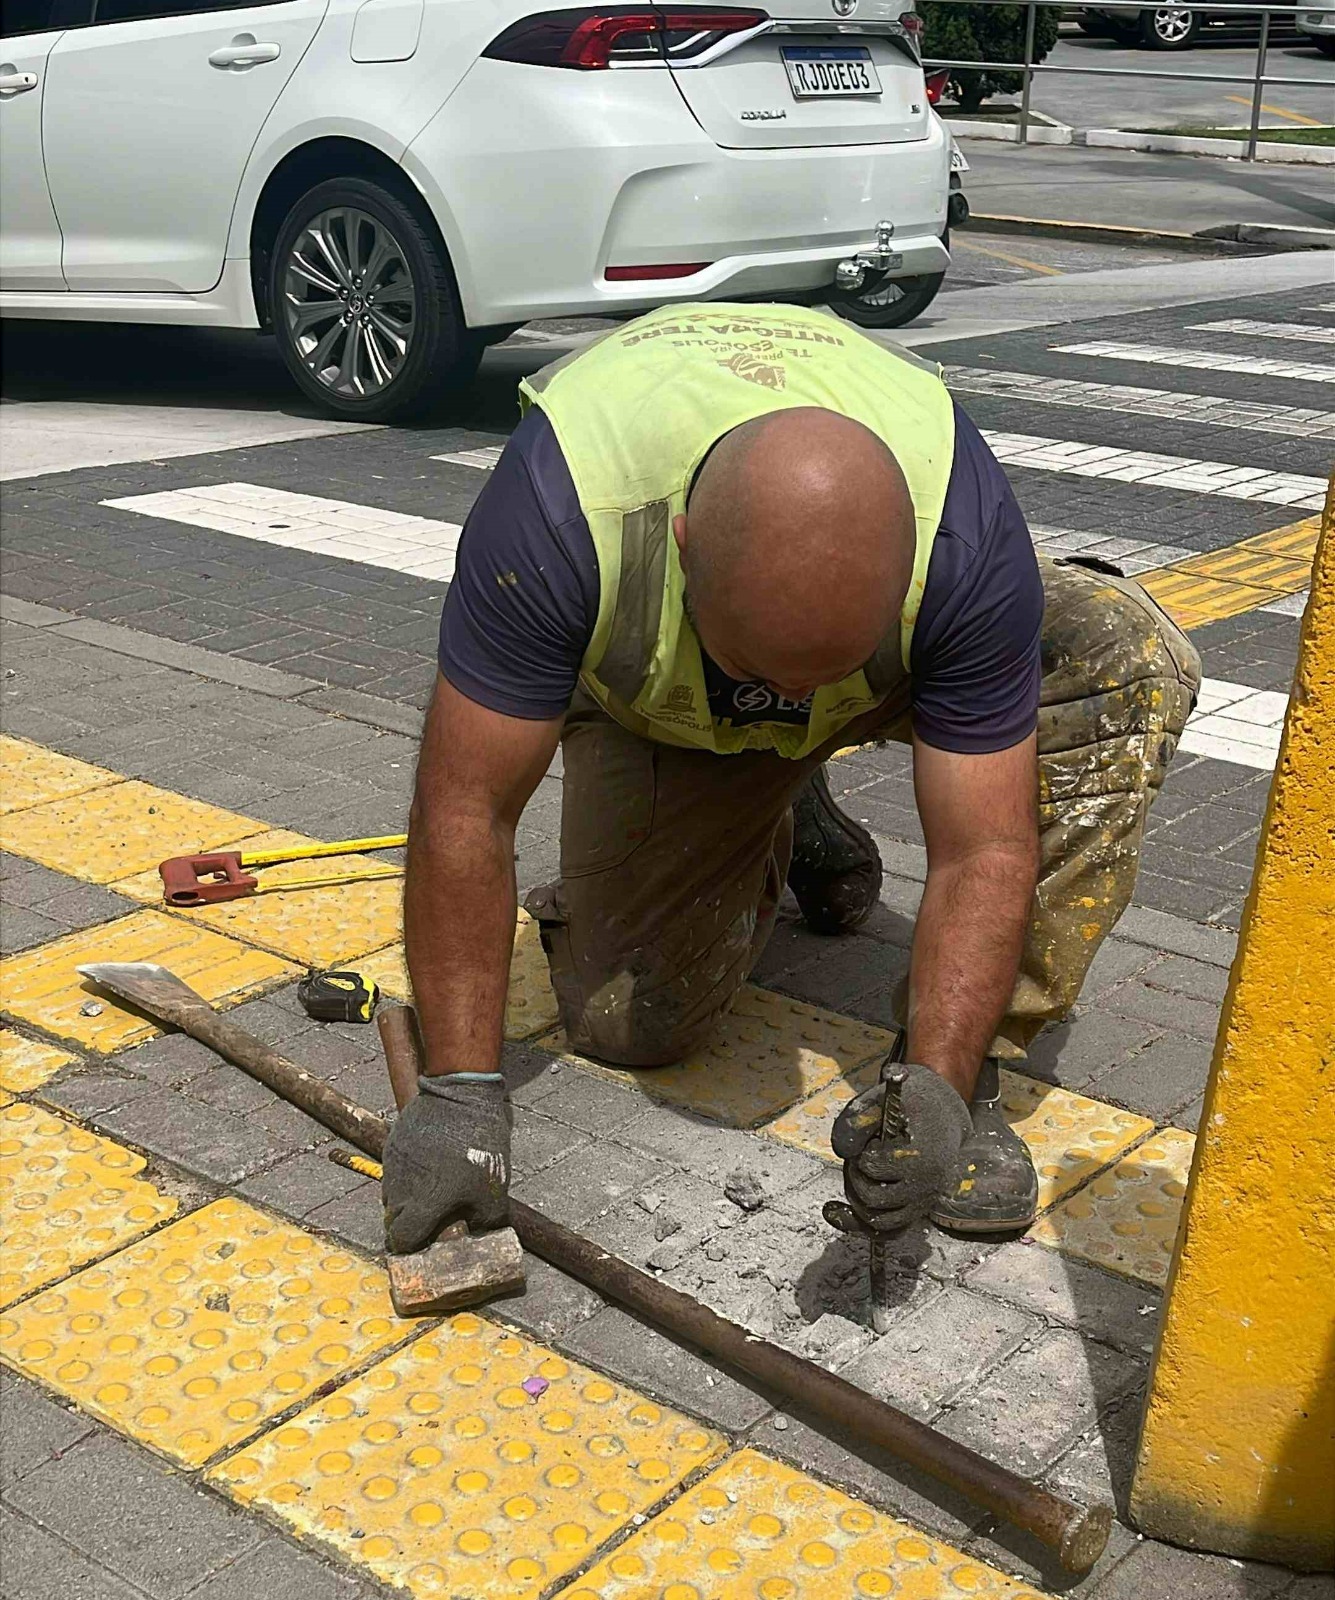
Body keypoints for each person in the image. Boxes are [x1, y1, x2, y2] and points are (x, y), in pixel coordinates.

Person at [381, 302, 1201, 1261]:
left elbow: (985, 846)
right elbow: (467, 807)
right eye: (765, 675)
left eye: (819, 681)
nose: (793, 699)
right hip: (665, 707)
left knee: (1120, 653)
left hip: (861, 663)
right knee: (628, 1026)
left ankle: (970, 1067)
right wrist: (459, 1093)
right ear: (683, 549)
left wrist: (938, 1076)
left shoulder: (964, 548)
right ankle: (772, 801)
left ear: (906, 572)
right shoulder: (561, 517)